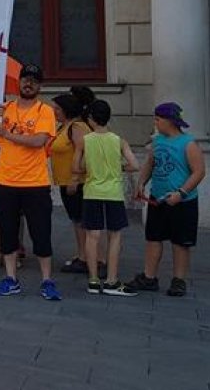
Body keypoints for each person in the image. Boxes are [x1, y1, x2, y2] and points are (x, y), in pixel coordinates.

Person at [0, 63, 61, 299]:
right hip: (5, 180)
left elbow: (38, 141)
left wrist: (7, 134)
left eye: (34, 80)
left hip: (34, 182)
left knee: (41, 232)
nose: (28, 83)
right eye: (25, 79)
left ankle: (47, 280)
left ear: (40, 86)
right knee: (7, 232)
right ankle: (11, 278)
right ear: (18, 82)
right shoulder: (6, 108)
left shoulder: (44, 111)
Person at [128, 103, 207, 297]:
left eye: (158, 119)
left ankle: (178, 280)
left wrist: (181, 192)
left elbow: (199, 172)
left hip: (183, 202)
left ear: (170, 121)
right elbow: (150, 164)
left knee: (180, 242)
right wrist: (141, 183)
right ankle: (149, 276)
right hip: (159, 198)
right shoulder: (158, 142)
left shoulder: (188, 143)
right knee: (153, 238)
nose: (155, 122)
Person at [72, 100, 140, 296]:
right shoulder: (119, 141)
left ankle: (93, 280)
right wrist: (118, 168)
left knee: (92, 236)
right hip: (113, 193)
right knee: (115, 236)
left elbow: (75, 168)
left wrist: (88, 168)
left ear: (91, 119)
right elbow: (134, 165)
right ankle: (111, 280)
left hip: (92, 192)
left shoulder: (84, 141)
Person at [49, 93, 91, 274]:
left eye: (57, 108)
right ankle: (83, 254)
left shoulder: (76, 127)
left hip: (76, 182)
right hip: (65, 182)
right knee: (76, 220)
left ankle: (86, 258)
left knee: (82, 221)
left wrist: (75, 178)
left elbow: (83, 152)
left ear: (66, 109)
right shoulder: (64, 127)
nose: (54, 111)